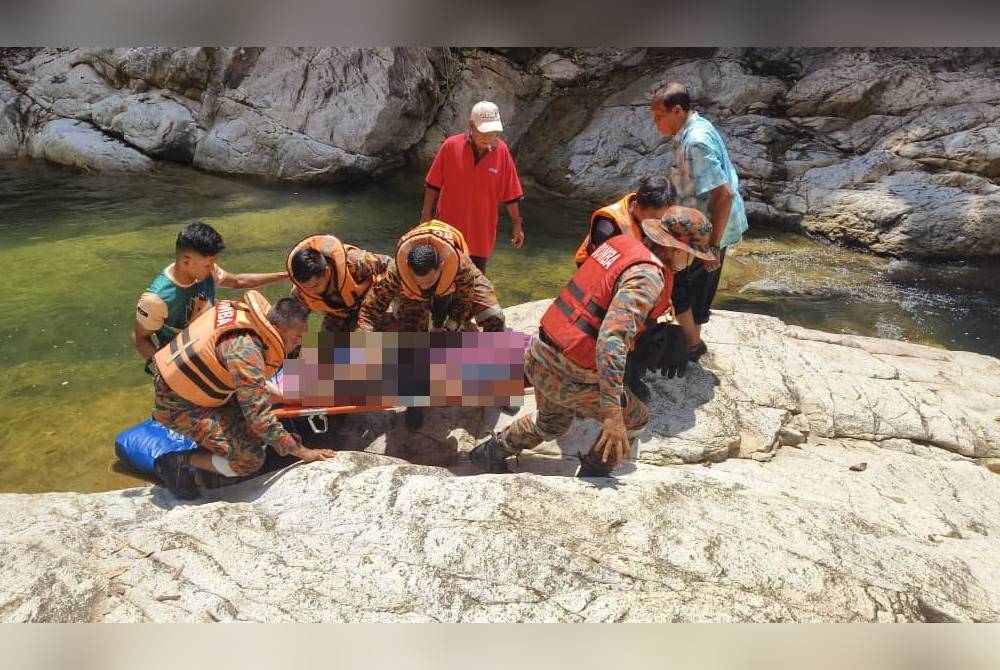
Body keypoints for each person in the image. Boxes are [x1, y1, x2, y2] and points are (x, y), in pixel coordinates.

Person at [468, 218, 713, 479]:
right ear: (676, 249)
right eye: (693, 255)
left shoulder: (622, 244)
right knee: (634, 419)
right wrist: (613, 414)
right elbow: (611, 340)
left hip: (541, 353)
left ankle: (489, 452)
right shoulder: (648, 277)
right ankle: (593, 474)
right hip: (572, 371)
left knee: (551, 423)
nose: (693, 261)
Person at [150, 291, 335, 500]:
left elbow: (247, 379)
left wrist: (281, 395)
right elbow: (259, 417)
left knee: (258, 435)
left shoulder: (247, 320)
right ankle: (176, 461)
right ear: (278, 328)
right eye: (296, 338)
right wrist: (303, 452)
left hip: (194, 387)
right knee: (250, 459)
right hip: (178, 403)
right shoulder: (246, 350)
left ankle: (213, 459)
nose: (298, 344)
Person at [651, 82, 749, 361]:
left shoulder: (696, 142)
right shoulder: (693, 128)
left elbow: (724, 194)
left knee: (683, 283)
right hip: (698, 224)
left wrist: (712, 247)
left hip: (708, 230)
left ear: (677, 111)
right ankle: (690, 342)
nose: (656, 124)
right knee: (691, 285)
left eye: (659, 117)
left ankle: (692, 346)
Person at [132, 222, 288, 370]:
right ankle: (292, 384)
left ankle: (296, 385)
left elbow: (238, 281)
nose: (213, 267)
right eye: (208, 264)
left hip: (215, 354)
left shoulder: (206, 272)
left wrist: (284, 276)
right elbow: (139, 338)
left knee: (285, 332)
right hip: (186, 368)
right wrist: (165, 371)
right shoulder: (156, 299)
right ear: (186, 262)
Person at [420, 100, 525, 274]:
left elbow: (511, 193)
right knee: (441, 281)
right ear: (471, 125)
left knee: (475, 284)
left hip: (480, 237)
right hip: (447, 233)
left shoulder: (502, 152)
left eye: (493, 132)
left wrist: (517, 224)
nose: (488, 137)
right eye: (483, 131)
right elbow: (433, 185)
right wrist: (425, 217)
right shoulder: (450, 146)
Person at [356, 220, 506, 335]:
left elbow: (465, 299)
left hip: (457, 282)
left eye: (428, 281)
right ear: (407, 266)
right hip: (413, 297)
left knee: (494, 316)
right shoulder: (396, 272)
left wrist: (452, 325)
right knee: (410, 337)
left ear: (441, 266)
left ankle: (483, 351)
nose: (424, 286)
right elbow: (369, 310)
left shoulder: (460, 266)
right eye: (418, 282)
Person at [286, 234, 391, 332]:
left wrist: (391, 297)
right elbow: (294, 321)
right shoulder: (300, 291)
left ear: (327, 271)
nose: (311, 291)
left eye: (315, 285)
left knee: (374, 338)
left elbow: (391, 265)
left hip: (372, 306)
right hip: (337, 316)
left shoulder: (354, 262)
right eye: (306, 288)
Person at [574, 176, 675, 267]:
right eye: (654, 217)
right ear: (637, 206)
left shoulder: (661, 217)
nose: (659, 222)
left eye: (663, 217)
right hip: (595, 270)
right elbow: (605, 267)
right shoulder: (608, 226)